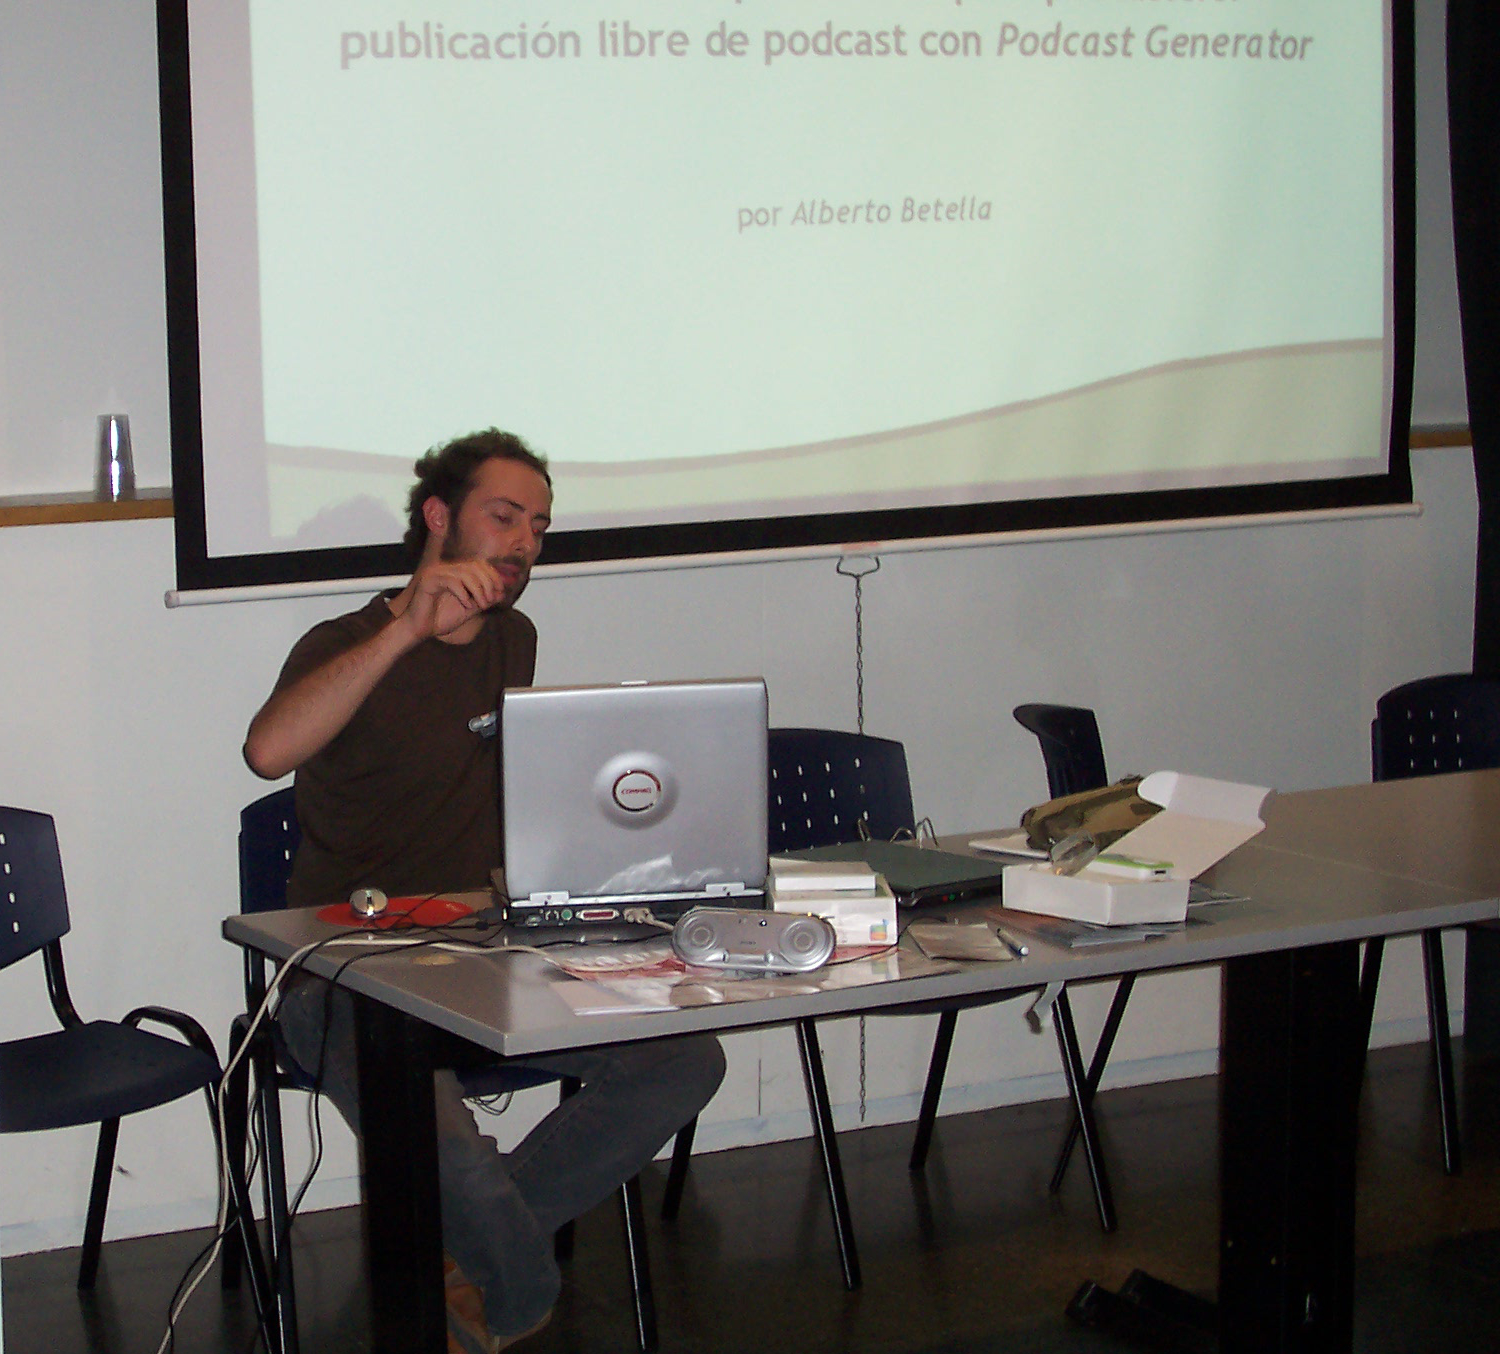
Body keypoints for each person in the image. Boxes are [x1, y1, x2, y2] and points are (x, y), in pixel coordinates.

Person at [245, 428, 725, 1354]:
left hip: (483, 948)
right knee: (441, 1145)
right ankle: (513, 1298)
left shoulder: (515, 639)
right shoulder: (343, 640)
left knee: (685, 1058)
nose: (523, 545)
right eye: (504, 518)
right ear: (438, 516)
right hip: (341, 974)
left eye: (539, 528)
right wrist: (405, 632)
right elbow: (268, 751)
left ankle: (465, 1257)